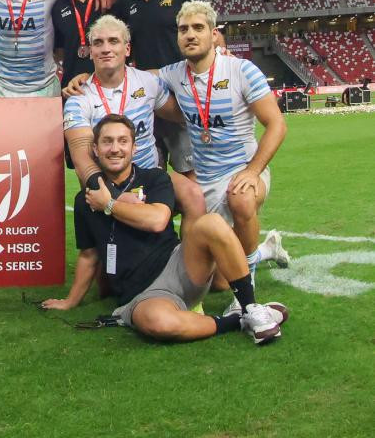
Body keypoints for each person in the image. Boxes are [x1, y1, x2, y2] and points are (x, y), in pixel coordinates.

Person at [41, 114, 289, 344]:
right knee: (157, 323)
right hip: (143, 294)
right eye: (107, 142)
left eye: (122, 141)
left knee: (211, 223)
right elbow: (88, 255)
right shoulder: (84, 200)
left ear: (133, 148)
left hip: (180, 265)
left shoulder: (154, 178)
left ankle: (250, 307)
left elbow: (157, 219)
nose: (115, 148)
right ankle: (238, 321)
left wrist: (108, 204)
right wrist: (70, 301)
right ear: (95, 149)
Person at [156, 0, 288, 285]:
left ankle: (247, 286)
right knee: (215, 282)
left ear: (213, 33)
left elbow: (277, 125)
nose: (190, 34)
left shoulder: (242, 70)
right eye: (183, 29)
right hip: (203, 179)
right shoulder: (173, 74)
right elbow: (134, 80)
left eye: (198, 28)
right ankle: (265, 250)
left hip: (242, 168)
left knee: (240, 200)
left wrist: (252, 171)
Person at [62, 16, 204, 232]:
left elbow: (181, 115)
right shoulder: (78, 98)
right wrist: (114, 195)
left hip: (149, 175)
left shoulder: (148, 82)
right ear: (90, 52)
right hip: (107, 181)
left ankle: (188, 263)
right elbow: (82, 160)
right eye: (98, 43)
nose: (106, 49)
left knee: (194, 196)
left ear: (127, 49)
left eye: (113, 41)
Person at [113, 0, 200, 175]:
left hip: (182, 99)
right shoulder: (126, 3)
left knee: (191, 176)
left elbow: (209, 34)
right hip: (146, 102)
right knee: (150, 177)